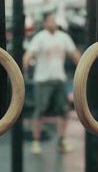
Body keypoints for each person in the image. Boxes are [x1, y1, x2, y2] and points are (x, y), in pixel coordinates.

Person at [23, 13, 81, 154]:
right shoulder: (40, 37)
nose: (53, 23)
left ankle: (62, 141)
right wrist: (22, 71)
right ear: (44, 23)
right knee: (40, 111)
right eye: (50, 20)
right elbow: (28, 55)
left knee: (63, 111)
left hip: (59, 80)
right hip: (43, 81)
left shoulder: (64, 37)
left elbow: (75, 55)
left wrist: (84, 70)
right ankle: (36, 143)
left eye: (55, 20)